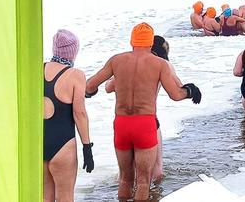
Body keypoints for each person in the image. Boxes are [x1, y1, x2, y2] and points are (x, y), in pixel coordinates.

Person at [85, 23, 201, 201]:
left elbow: (90, 86)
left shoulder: (116, 60)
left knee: (125, 179)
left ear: (132, 41)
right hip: (145, 124)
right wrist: (190, 91)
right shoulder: (160, 64)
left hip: (122, 124)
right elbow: (175, 95)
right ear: (150, 43)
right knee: (144, 182)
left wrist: (89, 93)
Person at [104, 35, 170, 184]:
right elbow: (176, 92)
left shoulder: (129, 66)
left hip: (125, 122)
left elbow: (108, 88)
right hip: (150, 121)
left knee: (127, 175)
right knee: (156, 171)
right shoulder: (164, 66)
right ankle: (154, 196)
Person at [44, 29, 93, 202]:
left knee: (44, 198)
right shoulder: (76, 75)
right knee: (65, 198)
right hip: (63, 145)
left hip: (39, 143)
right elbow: (79, 113)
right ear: (74, 51)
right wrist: (87, 148)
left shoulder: (38, 69)